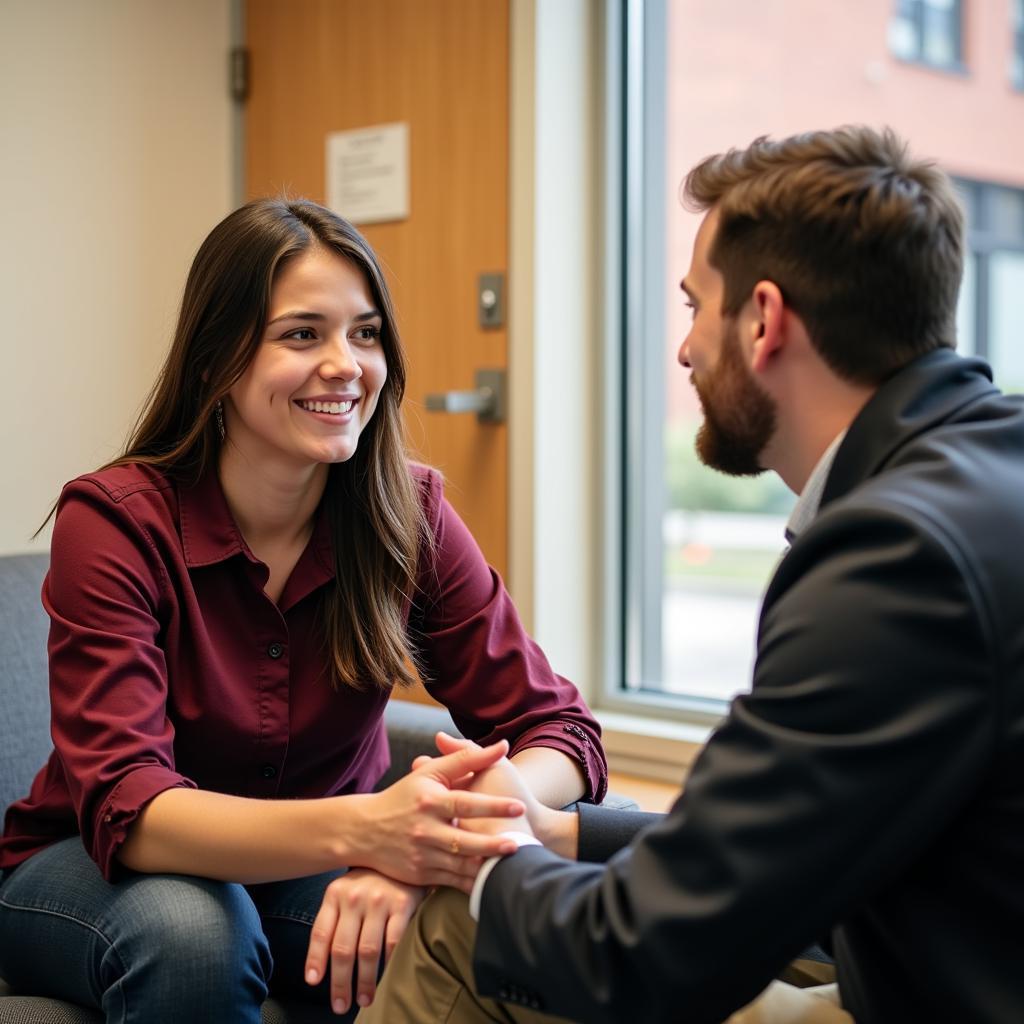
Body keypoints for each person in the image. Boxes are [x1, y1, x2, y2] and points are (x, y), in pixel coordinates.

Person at [357, 125, 1024, 1023]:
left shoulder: (896, 558)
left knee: (462, 928)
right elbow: (807, 833)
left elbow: (642, 955)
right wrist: (566, 832)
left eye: (692, 306)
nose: (684, 352)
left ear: (763, 320)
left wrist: (483, 864)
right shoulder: (989, 463)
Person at [0, 198, 608, 1023]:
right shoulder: (113, 521)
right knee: (195, 931)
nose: (346, 364)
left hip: (305, 867)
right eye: (302, 334)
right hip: (91, 869)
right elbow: (134, 808)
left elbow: (560, 731)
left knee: (467, 907)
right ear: (218, 358)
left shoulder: (410, 511)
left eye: (365, 333)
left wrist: (448, 826)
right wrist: (373, 830)